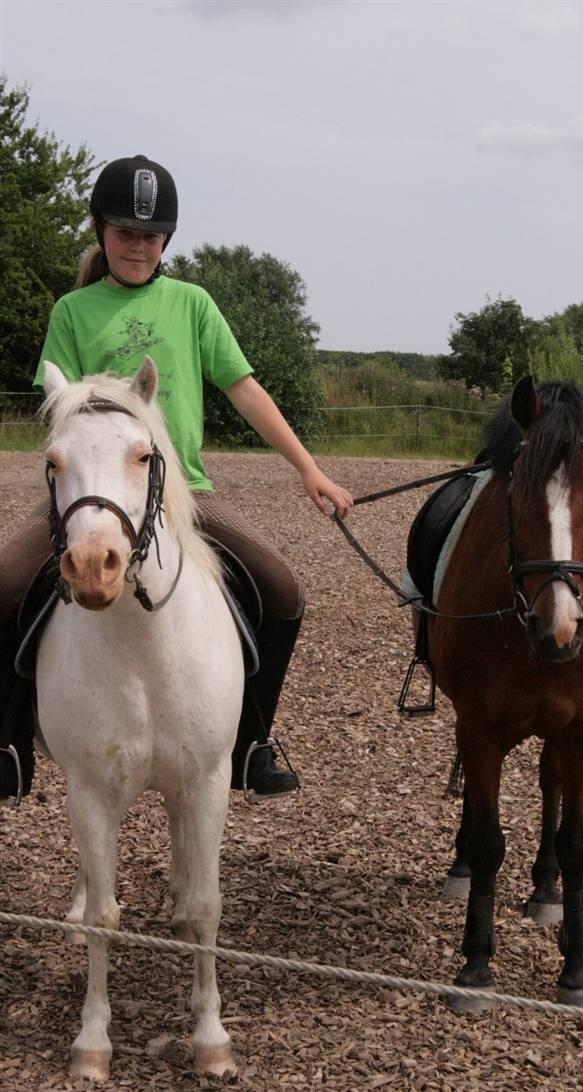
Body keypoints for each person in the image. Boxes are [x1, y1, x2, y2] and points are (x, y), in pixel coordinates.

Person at [0, 154, 352, 806]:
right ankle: (9, 743)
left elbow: (243, 389)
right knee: (3, 583)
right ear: (101, 232)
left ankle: (252, 742)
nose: (138, 246)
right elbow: (59, 407)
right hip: (90, 495)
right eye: (125, 233)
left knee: (282, 589)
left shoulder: (193, 304)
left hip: (183, 490)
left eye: (151, 235)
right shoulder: (72, 312)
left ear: (166, 240)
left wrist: (309, 469)